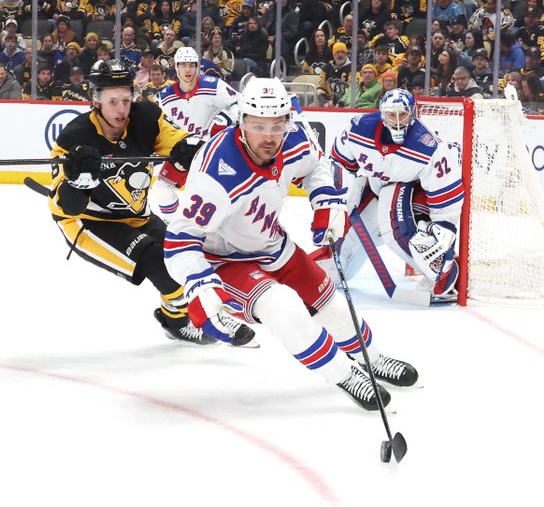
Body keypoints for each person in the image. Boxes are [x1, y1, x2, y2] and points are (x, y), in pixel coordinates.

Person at [163, 78, 418, 411]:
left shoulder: (294, 136)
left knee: (333, 306)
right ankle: (345, 375)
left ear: (287, 120)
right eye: (258, 126)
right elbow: (179, 239)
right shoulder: (216, 172)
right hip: (225, 260)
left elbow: (316, 166)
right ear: (241, 122)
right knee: (285, 309)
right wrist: (199, 283)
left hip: (272, 243)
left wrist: (325, 197)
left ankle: (373, 360)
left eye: (276, 125)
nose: (269, 136)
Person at [48, 59, 254, 347]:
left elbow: (178, 141)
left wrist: (190, 149)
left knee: (183, 252)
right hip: (89, 223)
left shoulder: (145, 118)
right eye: (112, 102)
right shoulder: (74, 137)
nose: (121, 109)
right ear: (95, 101)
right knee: (157, 261)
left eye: (125, 99)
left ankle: (175, 314)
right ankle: (186, 319)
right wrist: (77, 182)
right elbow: (64, 206)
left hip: (138, 215)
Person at [320, 88, 463, 301]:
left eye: (402, 114)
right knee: (343, 246)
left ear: (412, 113)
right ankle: (335, 270)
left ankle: (443, 272)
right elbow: (339, 164)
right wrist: (340, 199)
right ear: (382, 114)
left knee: (395, 222)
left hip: (416, 198)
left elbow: (444, 198)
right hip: (378, 190)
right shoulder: (358, 129)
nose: (397, 121)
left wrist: (443, 228)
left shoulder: (428, 147)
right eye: (391, 115)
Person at [153, 46, 240, 220]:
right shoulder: (164, 97)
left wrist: (225, 118)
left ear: (197, 67)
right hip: (183, 153)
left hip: (213, 151)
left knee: (214, 194)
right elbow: (155, 125)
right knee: (161, 190)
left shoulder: (213, 85)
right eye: (183, 65)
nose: (187, 70)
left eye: (192, 65)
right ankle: (174, 226)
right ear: (176, 67)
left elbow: (240, 103)